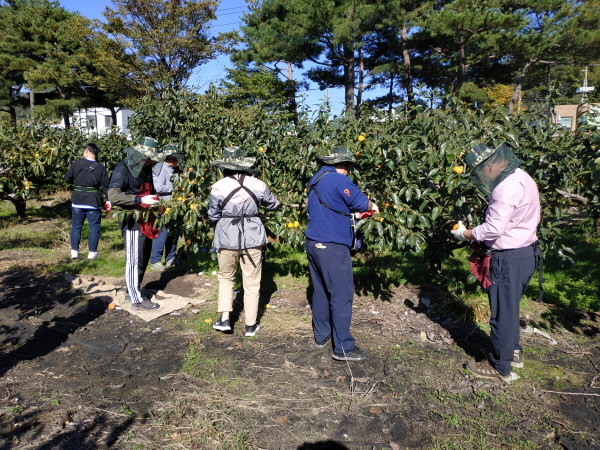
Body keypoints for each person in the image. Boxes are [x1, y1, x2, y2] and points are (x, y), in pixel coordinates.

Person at [451, 142, 541, 382]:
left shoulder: (503, 189)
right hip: (526, 252)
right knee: (510, 307)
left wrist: (465, 233)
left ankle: (500, 366)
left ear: (490, 165)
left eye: (481, 169)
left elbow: (493, 228)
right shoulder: (523, 177)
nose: (483, 175)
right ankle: (512, 352)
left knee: (501, 312)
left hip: (508, 257)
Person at [305, 145, 378, 362]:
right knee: (342, 295)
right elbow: (363, 203)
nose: (349, 171)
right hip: (332, 245)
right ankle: (343, 347)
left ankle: (321, 336)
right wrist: (373, 206)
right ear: (343, 165)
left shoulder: (316, 179)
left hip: (313, 241)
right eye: (348, 167)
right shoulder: (339, 179)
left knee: (320, 291)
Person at [208, 146, 281, 337]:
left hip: (226, 237)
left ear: (225, 167)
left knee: (225, 277)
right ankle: (250, 325)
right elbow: (274, 204)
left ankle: (224, 319)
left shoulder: (218, 186)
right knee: (251, 281)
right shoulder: (258, 184)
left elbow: (213, 214)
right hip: (253, 235)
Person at [108, 137, 166, 310]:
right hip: (132, 221)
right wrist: (139, 198)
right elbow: (113, 195)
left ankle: (133, 288)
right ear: (141, 155)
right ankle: (136, 298)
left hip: (146, 219)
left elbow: (150, 190)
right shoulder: (123, 169)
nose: (152, 161)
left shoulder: (145, 168)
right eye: (150, 158)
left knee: (143, 257)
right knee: (134, 259)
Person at [64, 143, 110, 260]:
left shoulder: (76, 164)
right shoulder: (101, 168)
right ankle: (92, 253)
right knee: (94, 227)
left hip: (78, 199)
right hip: (93, 201)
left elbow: (67, 179)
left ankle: (74, 252)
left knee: (76, 226)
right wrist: (109, 200)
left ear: (87, 151)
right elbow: (106, 186)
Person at [150, 144, 184, 270]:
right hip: (164, 206)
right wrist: (175, 188)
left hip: (174, 206)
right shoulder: (160, 169)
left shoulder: (173, 170)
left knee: (173, 233)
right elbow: (158, 187)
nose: (178, 161)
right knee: (163, 232)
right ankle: (155, 260)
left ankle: (170, 258)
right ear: (171, 158)